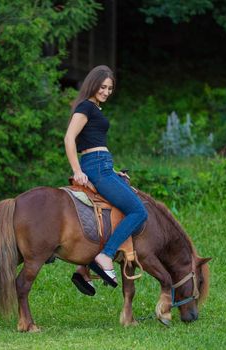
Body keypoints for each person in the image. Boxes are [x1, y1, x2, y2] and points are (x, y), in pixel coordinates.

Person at [64, 65, 148, 294]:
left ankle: (84, 267)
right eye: (103, 87)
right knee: (139, 212)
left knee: (117, 208)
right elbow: (69, 138)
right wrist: (77, 170)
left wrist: (115, 173)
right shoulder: (85, 107)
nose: (106, 91)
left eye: (110, 88)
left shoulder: (94, 108)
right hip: (96, 167)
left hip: (104, 166)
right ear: (93, 84)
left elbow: (94, 142)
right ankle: (106, 255)